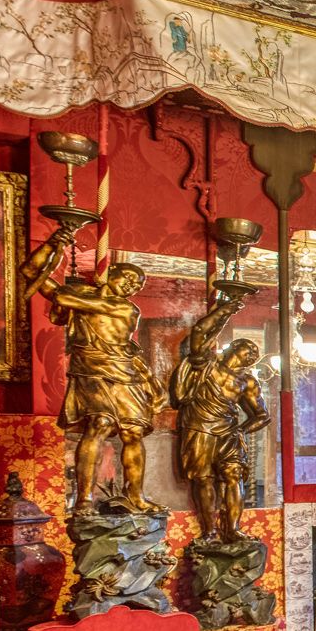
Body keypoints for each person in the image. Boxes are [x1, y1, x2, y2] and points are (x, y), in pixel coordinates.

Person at [20, 228, 163, 514]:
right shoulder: (82, 296)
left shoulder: (126, 309)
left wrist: (63, 292)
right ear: (109, 274)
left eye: (137, 285)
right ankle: (84, 498)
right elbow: (30, 271)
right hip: (92, 369)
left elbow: (65, 298)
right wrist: (54, 243)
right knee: (99, 424)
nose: (132, 286)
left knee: (133, 432)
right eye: (128, 278)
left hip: (124, 371)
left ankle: (135, 496)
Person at [171, 284, 270, 543]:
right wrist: (225, 310)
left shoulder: (247, 382)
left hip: (228, 432)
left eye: (254, 354)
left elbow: (262, 415)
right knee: (202, 480)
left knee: (233, 477)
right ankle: (209, 532)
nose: (251, 354)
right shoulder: (205, 364)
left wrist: (241, 430)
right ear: (231, 348)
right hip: (200, 427)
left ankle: (233, 529)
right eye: (247, 348)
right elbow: (200, 331)